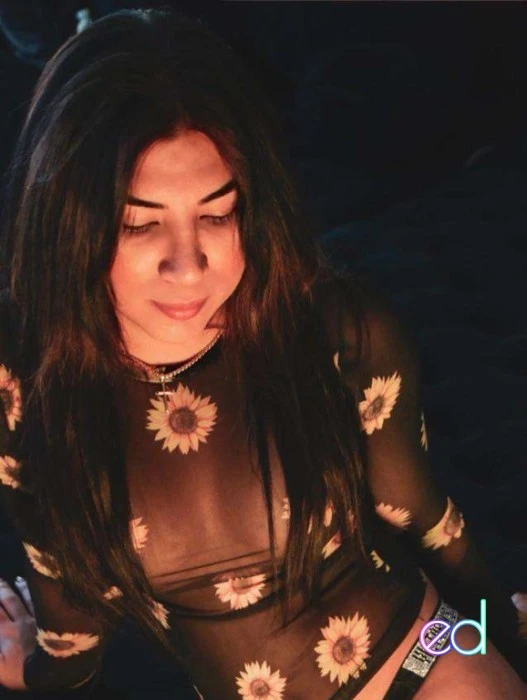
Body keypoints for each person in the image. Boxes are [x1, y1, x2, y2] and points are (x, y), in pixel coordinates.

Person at [0, 8, 525, 699]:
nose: (188, 265)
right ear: (68, 223)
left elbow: (422, 519)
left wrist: (499, 627)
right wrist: (32, 671)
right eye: (137, 224)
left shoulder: (337, 327)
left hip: (426, 661)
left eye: (217, 214)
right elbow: (73, 621)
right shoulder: (26, 383)